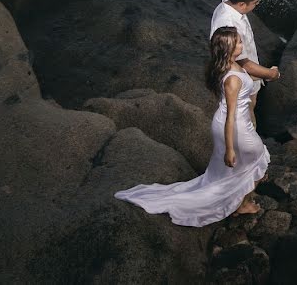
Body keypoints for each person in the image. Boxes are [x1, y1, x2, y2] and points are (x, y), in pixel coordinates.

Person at [114, 27, 270, 225]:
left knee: (235, 170)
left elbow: (245, 80)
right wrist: (229, 149)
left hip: (232, 121)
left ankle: (238, 200)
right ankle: (241, 204)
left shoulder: (229, 66)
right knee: (257, 160)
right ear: (228, 48)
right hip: (235, 125)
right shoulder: (231, 78)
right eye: (238, 42)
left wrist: (268, 74)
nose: (242, 44)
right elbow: (231, 115)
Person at [210, 0, 280, 126]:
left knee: (249, 109)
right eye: (255, 2)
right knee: (244, 117)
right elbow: (242, 62)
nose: (257, 4)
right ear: (242, 4)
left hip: (248, 74)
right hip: (241, 79)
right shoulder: (229, 23)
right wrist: (271, 74)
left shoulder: (229, 5)